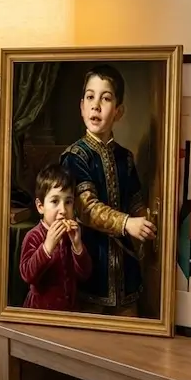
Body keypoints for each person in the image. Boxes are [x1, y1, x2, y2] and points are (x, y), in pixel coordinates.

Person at [60, 64, 156, 316]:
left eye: (106, 98)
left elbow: (135, 199)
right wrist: (127, 223)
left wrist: (144, 221)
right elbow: (86, 207)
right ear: (81, 107)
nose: (96, 106)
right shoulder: (75, 156)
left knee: (131, 335)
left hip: (125, 268)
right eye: (90, 97)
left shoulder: (125, 157)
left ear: (119, 111)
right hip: (91, 264)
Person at [19, 164, 91, 311]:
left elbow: (84, 275)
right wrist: (47, 247)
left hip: (68, 312)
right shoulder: (33, 236)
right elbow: (27, 275)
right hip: (40, 313)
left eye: (68, 202)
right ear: (40, 206)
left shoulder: (71, 235)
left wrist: (77, 246)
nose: (63, 210)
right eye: (54, 201)